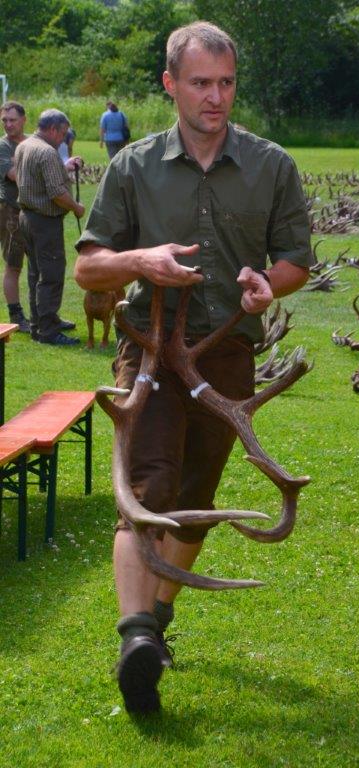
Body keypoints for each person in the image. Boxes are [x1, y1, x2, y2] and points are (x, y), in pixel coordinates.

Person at [75, 20, 311, 714]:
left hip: (226, 355)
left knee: (196, 498)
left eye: (226, 82)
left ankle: (157, 622)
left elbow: (295, 260)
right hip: (150, 348)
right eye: (201, 82)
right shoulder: (133, 167)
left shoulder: (272, 166)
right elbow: (89, 267)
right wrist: (138, 260)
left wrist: (268, 284)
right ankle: (135, 638)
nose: (215, 96)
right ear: (170, 84)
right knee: (145, 489)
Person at [15, 109, 85, 345]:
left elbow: (37, 178)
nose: (63, 140)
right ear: (53, 129)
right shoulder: (47, 152)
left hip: (26, 217)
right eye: (63, 134)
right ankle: (48, 331)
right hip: (44, 222)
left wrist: (64, 167)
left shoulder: (25, 145)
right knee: (51, 274)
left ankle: (40, 324)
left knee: (36, 273)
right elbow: (56, 193)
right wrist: (76, 207)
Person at [0, 101, 30, 331]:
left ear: (23, 120)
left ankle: (44, 315)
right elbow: (14, 176)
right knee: (14, 265)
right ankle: (16, 315)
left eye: (12, 120)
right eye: (4, 120)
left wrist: (66, 165)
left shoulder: (31, 142)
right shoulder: (3, 146)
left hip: (33, 212)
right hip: (11, 211)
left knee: (39, 264)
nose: (8, 124)